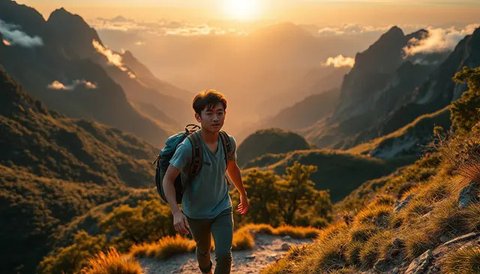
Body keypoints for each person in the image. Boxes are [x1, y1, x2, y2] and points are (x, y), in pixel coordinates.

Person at [162, 89, 249, 274]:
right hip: (196, 212)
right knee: (203, 252)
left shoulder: (228, 142)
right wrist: (176, 212)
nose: (215, 118)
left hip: (222, 207)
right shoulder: (188, 147)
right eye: (209, 113)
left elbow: (232, 168)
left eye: (220, 113)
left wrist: (242, 193)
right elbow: (168, 179)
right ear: (198, 117)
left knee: (225, 255)